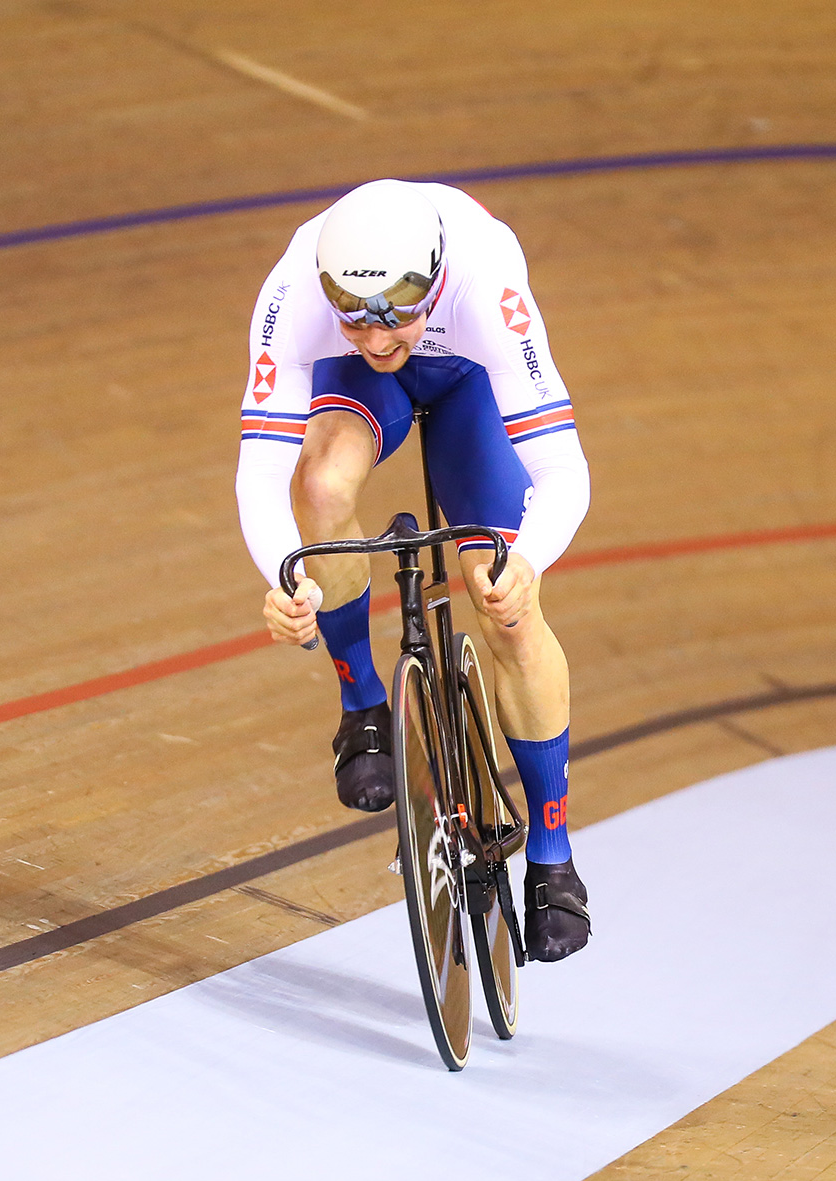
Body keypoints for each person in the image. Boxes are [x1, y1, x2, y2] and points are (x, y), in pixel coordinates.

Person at [235, 179, 592, 961]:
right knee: (322, 488)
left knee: (507, 606)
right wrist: (284, 576)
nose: (376, 335)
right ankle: (362, 704)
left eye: (397, 312)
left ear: (434, 279)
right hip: (359, 398)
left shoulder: (486, 285)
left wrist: (526, 562)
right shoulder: (295, 293)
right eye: (353, 314)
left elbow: (564, 470)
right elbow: (260, 473)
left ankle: (552, 856)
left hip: (470, 382)